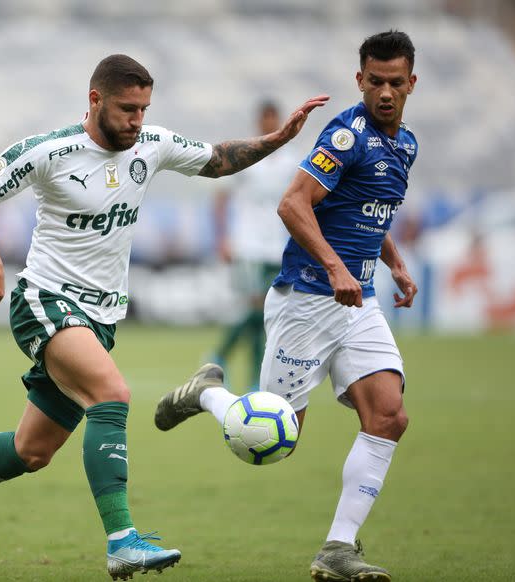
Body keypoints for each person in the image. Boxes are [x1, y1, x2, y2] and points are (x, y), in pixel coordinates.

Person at [0, 53, 328, 580]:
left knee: (30, 452)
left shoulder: (151, 144)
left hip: (99, 317)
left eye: (143, 109)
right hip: (45, 300)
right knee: (113, 395)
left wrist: (279, 140)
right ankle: (122, 542)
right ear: (95, 100)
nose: (136, 120)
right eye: (126, 109)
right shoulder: (51, 151)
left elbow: (218, 159)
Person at [155, 31, 418, 582]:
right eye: (376, 81)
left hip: (360, 302)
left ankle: (338, 549)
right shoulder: (346, 135)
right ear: (360, 81)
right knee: (276, 440)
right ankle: (207, 393)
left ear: (411, 83)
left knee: (389, 415)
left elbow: (370, 212)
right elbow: (293, 204)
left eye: (396, 82)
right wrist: (335, 267)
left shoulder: (405, 145)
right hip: (308, 299)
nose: (386, 92)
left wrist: (393, 261)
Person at [210, 100, 297, 389]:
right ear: (259, 122)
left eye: (274, 119)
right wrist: (222, 238)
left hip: (278, 247)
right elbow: (221, 198)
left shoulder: (290, 162)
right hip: (247, 245)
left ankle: (235, 366)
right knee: (255, 308)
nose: (270, 124)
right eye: (266, 119)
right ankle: (227, 359)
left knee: (266, 313)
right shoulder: (246, 156)